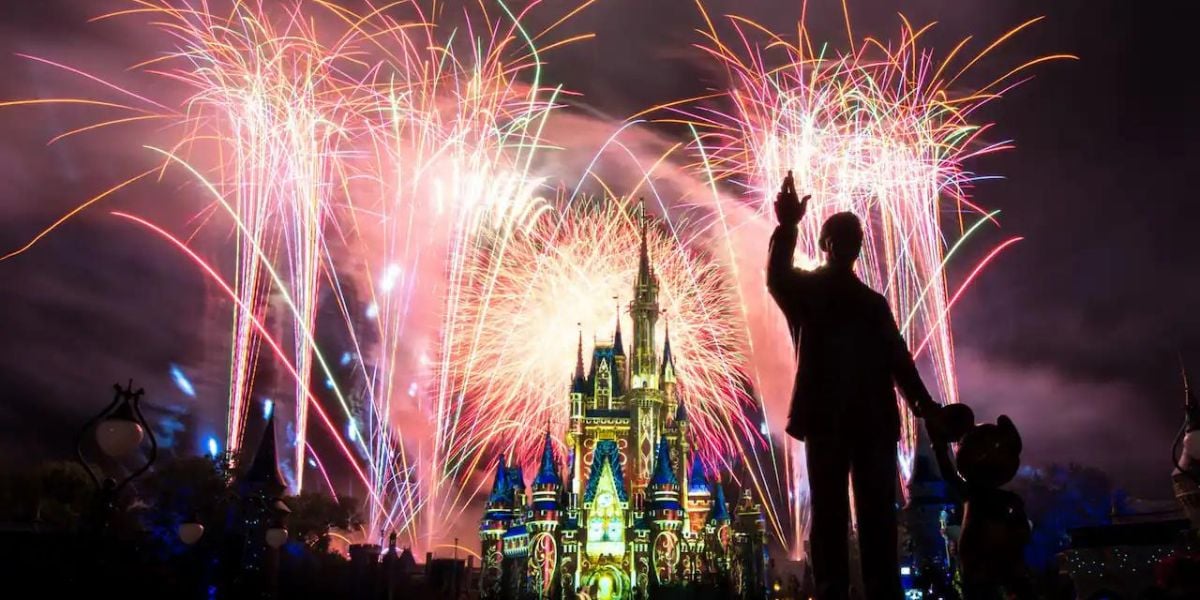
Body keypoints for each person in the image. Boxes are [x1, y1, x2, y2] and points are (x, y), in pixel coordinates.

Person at [767, 172, 939, 600]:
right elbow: (777, 277)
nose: (853, 244)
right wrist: (787, 226)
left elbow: (899, 361)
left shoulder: (865, 302)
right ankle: (855, 591)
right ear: (826, 243)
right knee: (849, 514)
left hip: (850, 421)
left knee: (859, 513)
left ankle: (852, 591)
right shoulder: (820, 293)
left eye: (856, 238)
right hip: (851, 420)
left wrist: (924, 405)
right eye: (845, 237)